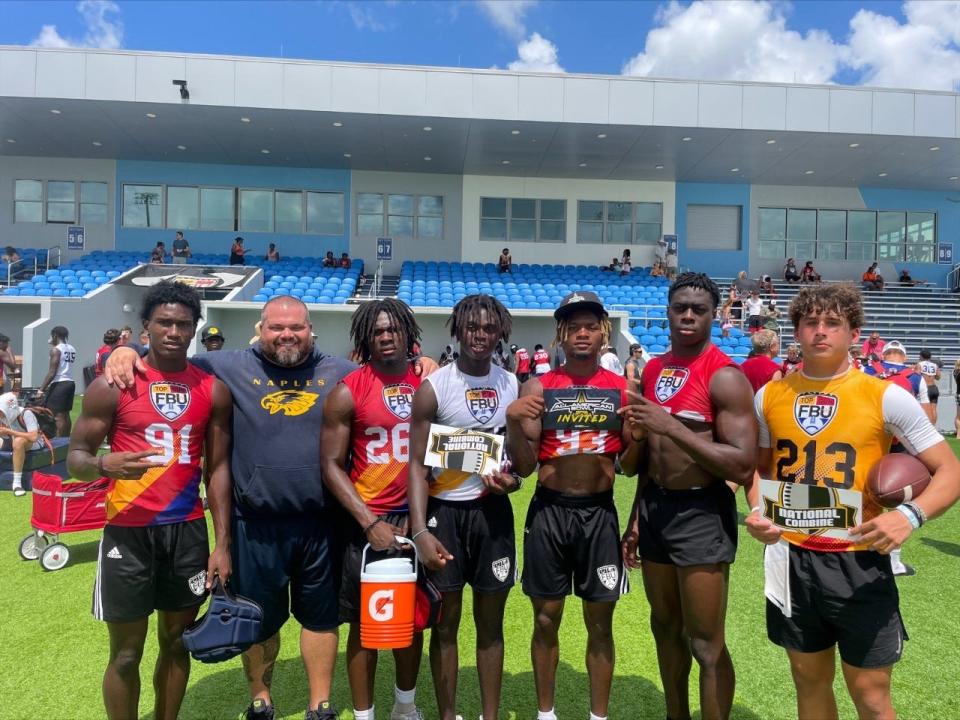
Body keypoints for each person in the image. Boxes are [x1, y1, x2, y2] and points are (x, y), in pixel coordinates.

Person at [105, 296, 357, 720]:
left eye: (296, 327)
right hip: (254, 521)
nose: (287, 335)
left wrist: (421, 362)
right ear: (261, 329)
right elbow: (171, 356)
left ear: (311, 329)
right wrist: (128, 349)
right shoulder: (224, 366)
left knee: (321, 617)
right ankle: (261, 696)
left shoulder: (341, 372)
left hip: (320, 520)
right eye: (276, 328)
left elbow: (390, 378)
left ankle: (320, 703)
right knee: (256, 617)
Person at [745, 284, 960, 720]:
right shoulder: (769, 396)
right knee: (808, 682)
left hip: (859, 561)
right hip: (792, 558)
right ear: (797, 333)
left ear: (855, 333)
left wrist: (910, 515)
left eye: (832, 323)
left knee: (872, 696)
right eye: (810, 322)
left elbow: (950, 470)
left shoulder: (886, 396)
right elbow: (760, 470)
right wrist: (758, 510)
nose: (820, 331)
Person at [67, 280, 233, 720]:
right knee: (125, 654)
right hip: (128, 532)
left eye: (183, 323)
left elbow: (217, 470)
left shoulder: (211, 389)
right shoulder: (113, 384)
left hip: (187, 532)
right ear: (145, 328)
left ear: (196, 328)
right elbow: (76, 459)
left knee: (178, 645)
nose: (174, 332)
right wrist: (106, 466)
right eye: (164, 322)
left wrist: (222, 544)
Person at [620, 272, 757, 720]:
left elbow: (741, 464)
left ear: (714, 316)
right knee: (664, 628)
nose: (687, 316)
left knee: (706, 643)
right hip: (656, 508)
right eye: (680, 307)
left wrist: (671, 426)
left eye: (698, 309)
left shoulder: (725, 376)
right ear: (668, 310)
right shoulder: (656, 368)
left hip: (701, 512)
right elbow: (647, 457)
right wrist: (637, 517)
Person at [505, 290, 644, 720]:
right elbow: (526, 469)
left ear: (603, 333)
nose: (582, 333)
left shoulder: (623, 389)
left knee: (600, 624)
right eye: (573, 327)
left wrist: (638, 434)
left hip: (600, 513)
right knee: (546, 619)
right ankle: (546, 714)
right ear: (561, 334)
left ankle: (597, 716)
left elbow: (631, 467)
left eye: (590, 326)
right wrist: (513, 420)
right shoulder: (537, 386)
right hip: (549, 512)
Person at [408, 294, 519, 720]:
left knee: (491, 626)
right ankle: (448, 714)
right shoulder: (435, 388)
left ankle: (489, 716)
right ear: (458, 329)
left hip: (492, 515)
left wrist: (513, 480)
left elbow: (518, 459)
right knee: (445, 625)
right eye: (472, 326)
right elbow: (417, 466)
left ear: (500, 333)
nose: (480, 334)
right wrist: (420, 531)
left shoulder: (512, 384)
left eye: (489, 327)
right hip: (444, 517)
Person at [320, 299, 427, 720]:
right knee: (365, 628)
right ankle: (364, 714)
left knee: (412, 624)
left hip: (418, 520)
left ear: (408, 334)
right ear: (365, 338)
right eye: (377, 331)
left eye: (393, 329)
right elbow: (330, 464)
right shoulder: (348, 391)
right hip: (368, 525)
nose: (386, 336)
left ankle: (405, 706)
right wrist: (368, 522)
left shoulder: (429, 385)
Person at [0, 391, 47, 497]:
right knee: (14, 441)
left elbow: (33, 437)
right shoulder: (4, 417)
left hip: (35, 443)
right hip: (13, 440)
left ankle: (16, 483)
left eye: (1, 411)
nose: (0, 414)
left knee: (18, 441)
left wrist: (9, 432)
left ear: (8, 409)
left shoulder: (26, 413)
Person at [38, 325, 76, 437]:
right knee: (65, 413)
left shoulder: (56, 350)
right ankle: (66, 439)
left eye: (51, 335)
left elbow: (52, 372)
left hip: (60, 383)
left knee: (57, 415)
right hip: (70, 382)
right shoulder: (71, 348)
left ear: (55, 335)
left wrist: (41, 390)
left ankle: (59, 440)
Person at [740, 329, 783, 393]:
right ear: (772, 347)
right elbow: (774, 397)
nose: (779, 346)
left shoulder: (742, 366)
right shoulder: (774, 370)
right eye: (778, 343)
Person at [916, 349, 941, 425]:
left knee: (923, 408)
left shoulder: (920, 364)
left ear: (921, 356)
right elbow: (938, 377)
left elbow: (917, 375)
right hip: (934, 388)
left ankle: (924, 427)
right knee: (933, 409)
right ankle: (933, 427)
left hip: (925, 388)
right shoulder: (935, 365)